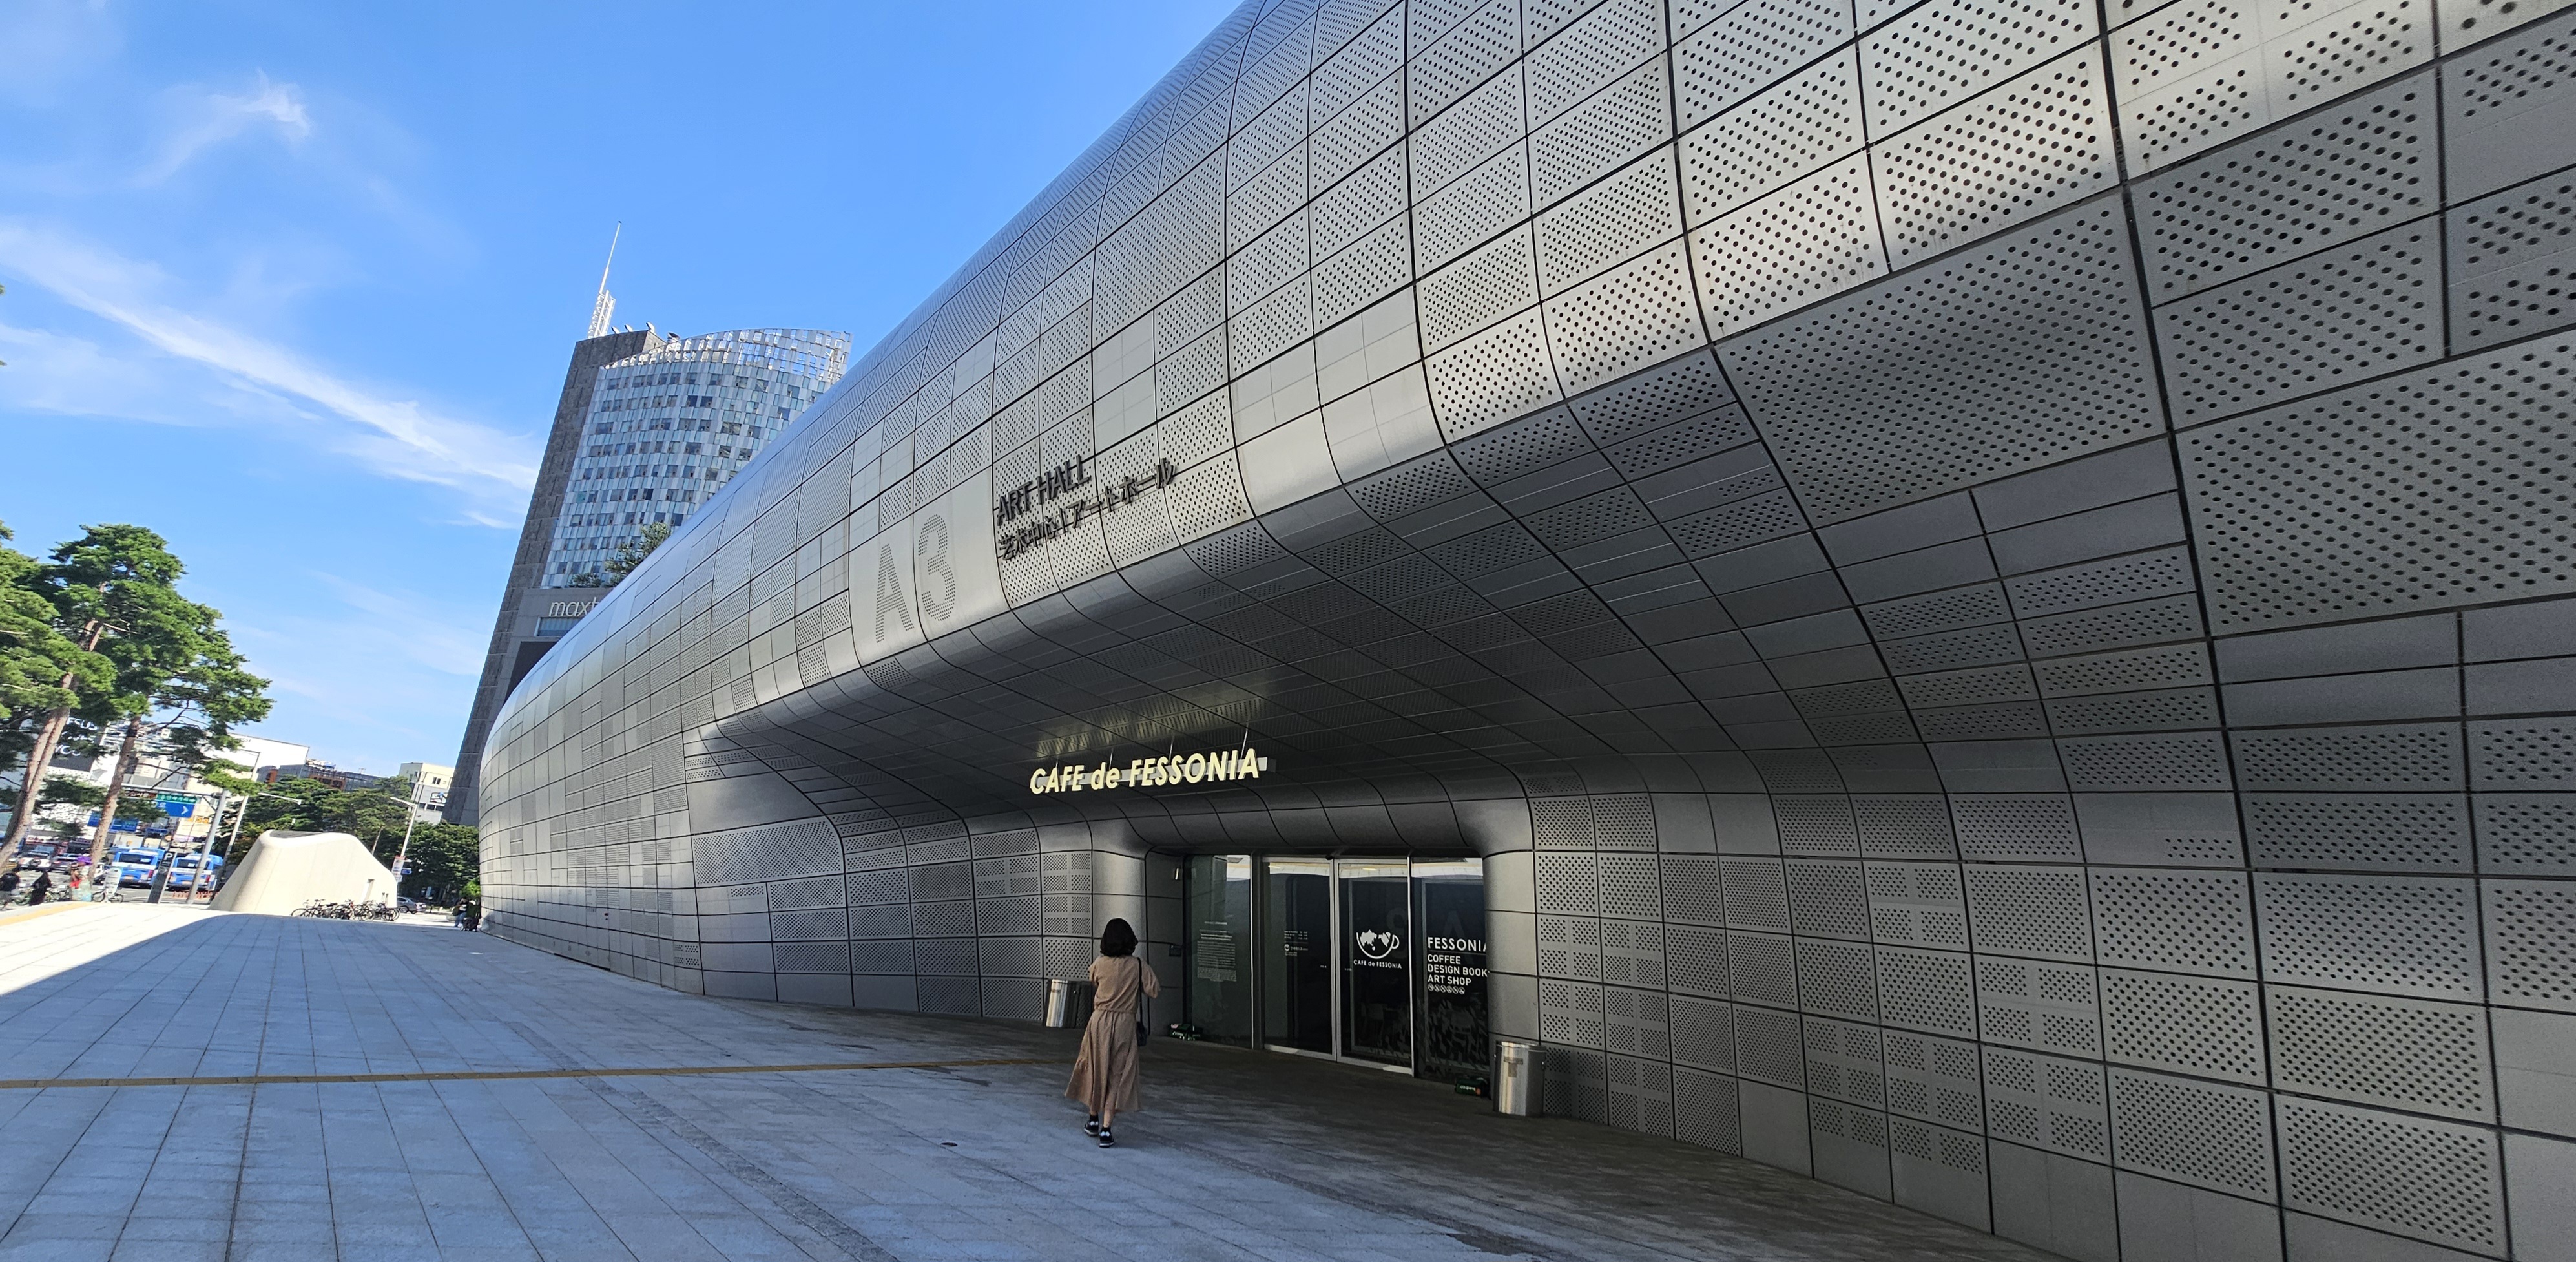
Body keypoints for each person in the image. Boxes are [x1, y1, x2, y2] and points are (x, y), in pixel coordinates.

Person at [1064, 917, 1159, 1149]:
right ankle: (1106, 1129)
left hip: (1099, 1021)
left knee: (1096, 1068)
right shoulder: (1138, 965)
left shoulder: (1100, 963)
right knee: (1118, 1074)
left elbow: (1093, 979)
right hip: (1125, 1024)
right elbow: (1154, 990)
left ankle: (1093, 1119)